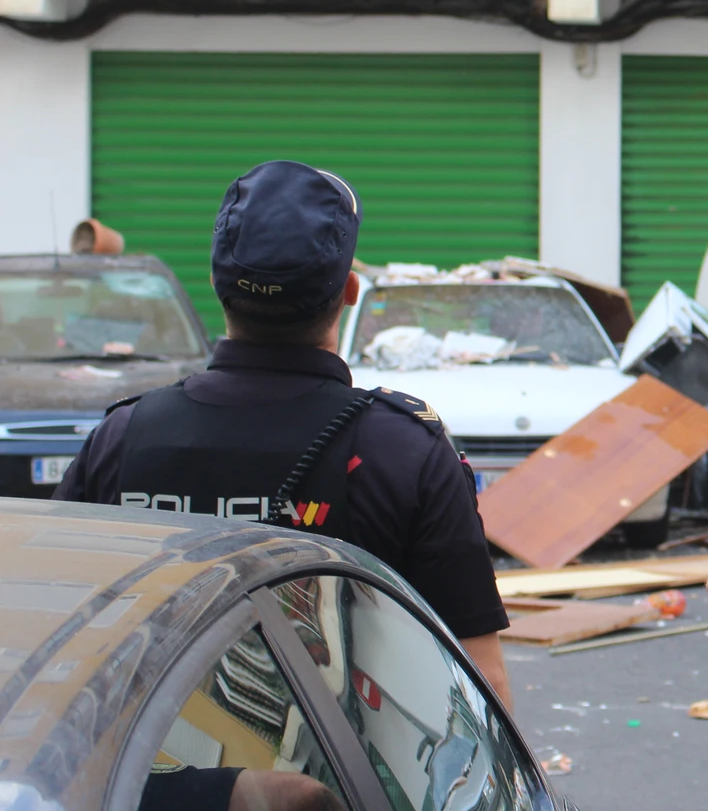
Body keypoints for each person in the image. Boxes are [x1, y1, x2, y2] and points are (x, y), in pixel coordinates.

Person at [55, 161, 514, 809]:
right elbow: (478, 691)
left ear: (217, 289)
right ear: (349, 292)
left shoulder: (122, 439)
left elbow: (56, 666)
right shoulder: (404, 450)